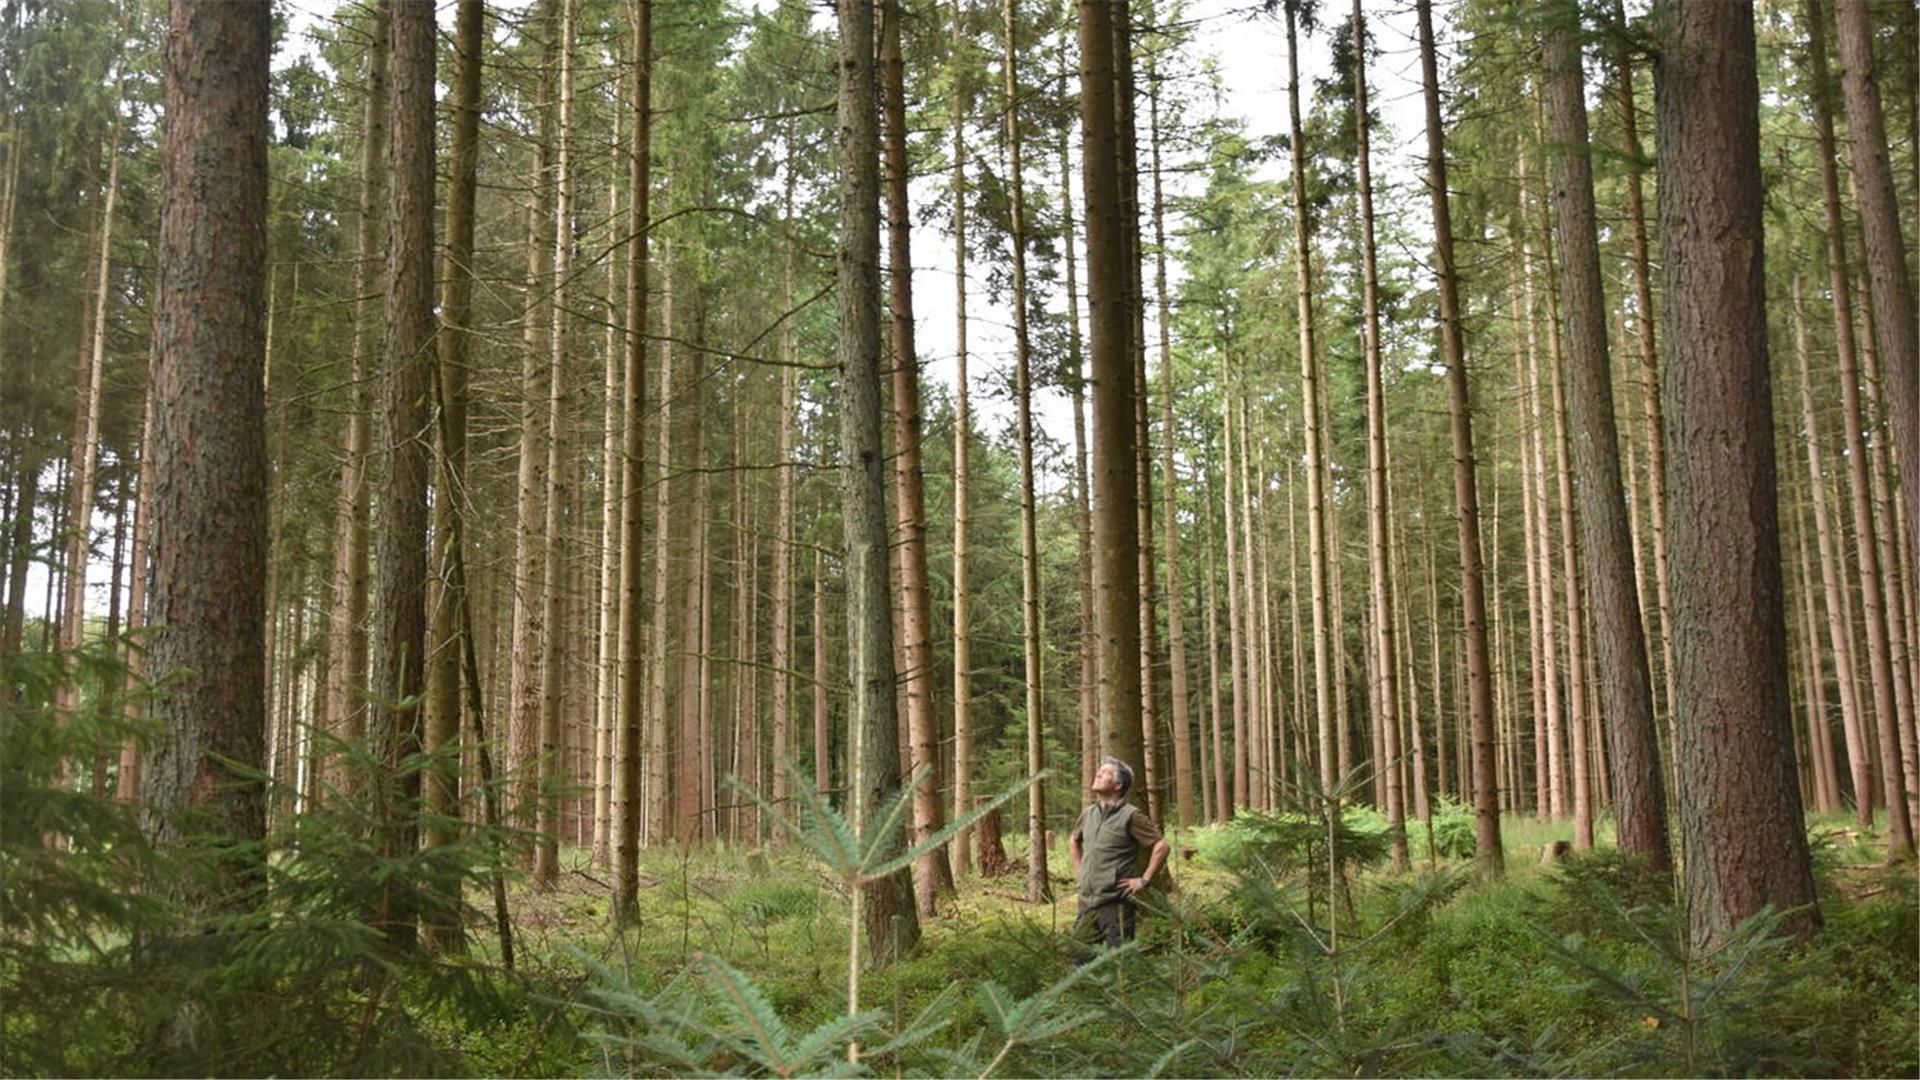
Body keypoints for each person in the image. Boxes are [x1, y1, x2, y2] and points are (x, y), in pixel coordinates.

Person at [1068, 757, 1170, 951]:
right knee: (1078, 960)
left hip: (1116, 904)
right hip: (1087, 902)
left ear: (1117, 784)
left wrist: (1144, 879)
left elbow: (1162, 846)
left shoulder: (1131, 815)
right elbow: (1073, 840)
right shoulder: (1089, 813)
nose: (1098, 774)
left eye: (1105, 772)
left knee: (1121, 963)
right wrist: (1079, 871)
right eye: (1099, 770)